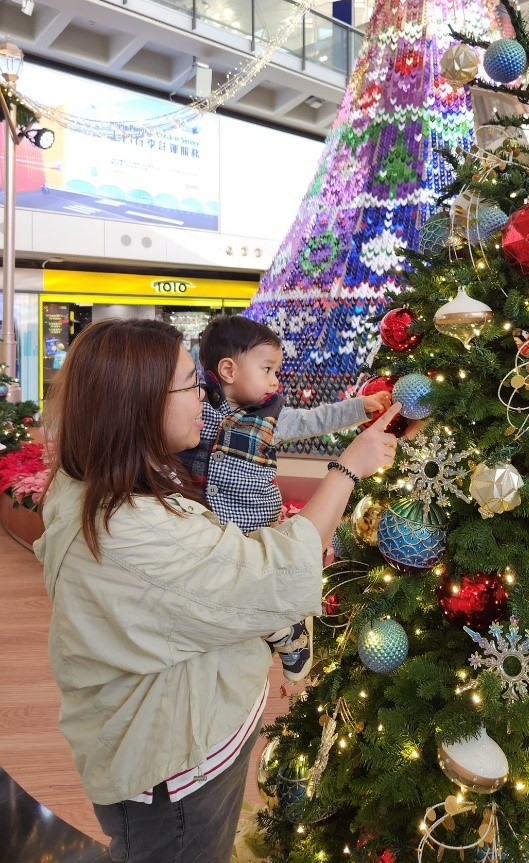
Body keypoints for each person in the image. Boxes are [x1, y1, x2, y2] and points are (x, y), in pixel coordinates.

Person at [33, 318, 400, 863]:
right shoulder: (133, 529)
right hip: (178, 774)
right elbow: (271, 576)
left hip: (186, 750)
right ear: (138, 404)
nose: (205, 398)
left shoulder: (103, 482)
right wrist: (347, 469)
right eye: (190, 384)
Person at [180, 314, 392, 682]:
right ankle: (280, 628)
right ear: (228, 369)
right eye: (267, 369)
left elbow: (314, 419)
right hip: (209, 525)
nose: (275, 380)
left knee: (262, 581)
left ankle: (287, 627)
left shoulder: (271, 417)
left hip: (256, 524)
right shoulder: (195, 410)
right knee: (226, 593)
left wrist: (360, 407)